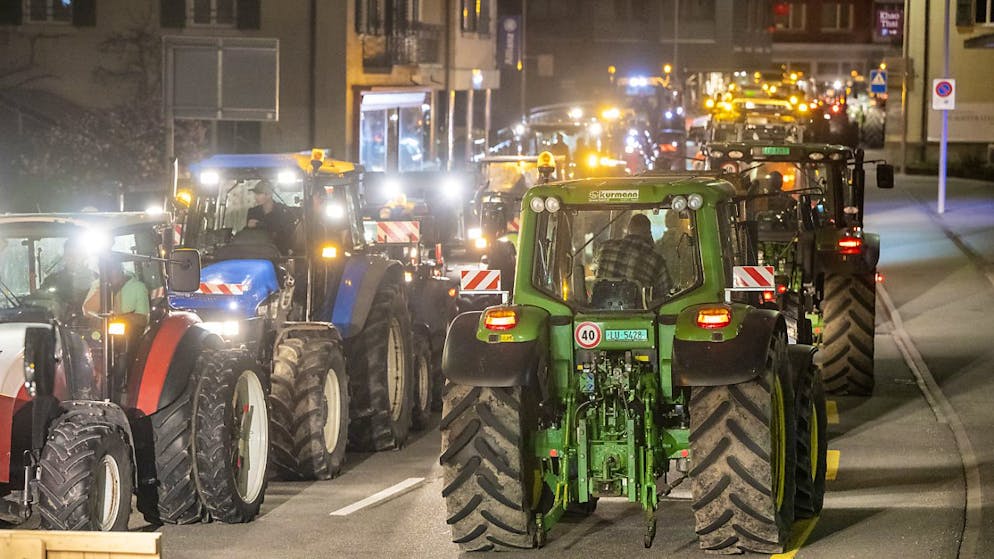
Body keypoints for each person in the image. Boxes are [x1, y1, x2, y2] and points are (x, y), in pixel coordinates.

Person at [593, 213, 671, 296]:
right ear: (649, 233)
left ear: (628, 230)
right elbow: (666, 293)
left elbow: (596, 272)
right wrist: (652, 246)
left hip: (599, 307)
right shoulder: (656, 260)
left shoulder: (605, 248)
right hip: (637, 308)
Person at [83, 262, 150, 334]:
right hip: (100, 335)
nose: (109, 273)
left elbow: (143, 319)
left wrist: (118, 319)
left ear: (120, 269)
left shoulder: (138, 287)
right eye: (106, 270)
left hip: (129, 336)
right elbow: (87, 312)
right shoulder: (97, 285)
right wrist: (103, 289)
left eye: (112, 268)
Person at [40, 238, 96, 314]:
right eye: (70, 255)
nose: (74, 259)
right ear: (64, 257)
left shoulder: (97, 281)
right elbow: (41, 303)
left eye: (78, 255)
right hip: (57, 323)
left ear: (84, 256)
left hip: (93, 324)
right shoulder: (51, 281)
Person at [246, 179, 295, 253]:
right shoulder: (253, 212)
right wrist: (247, 227)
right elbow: (248, 236)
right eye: (255, 194)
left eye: (259, 194)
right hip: (256, 252)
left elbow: (287, 234)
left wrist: (259, 224)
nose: (255, 197)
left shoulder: (283, 211)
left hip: (278, 253)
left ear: (269, 195)